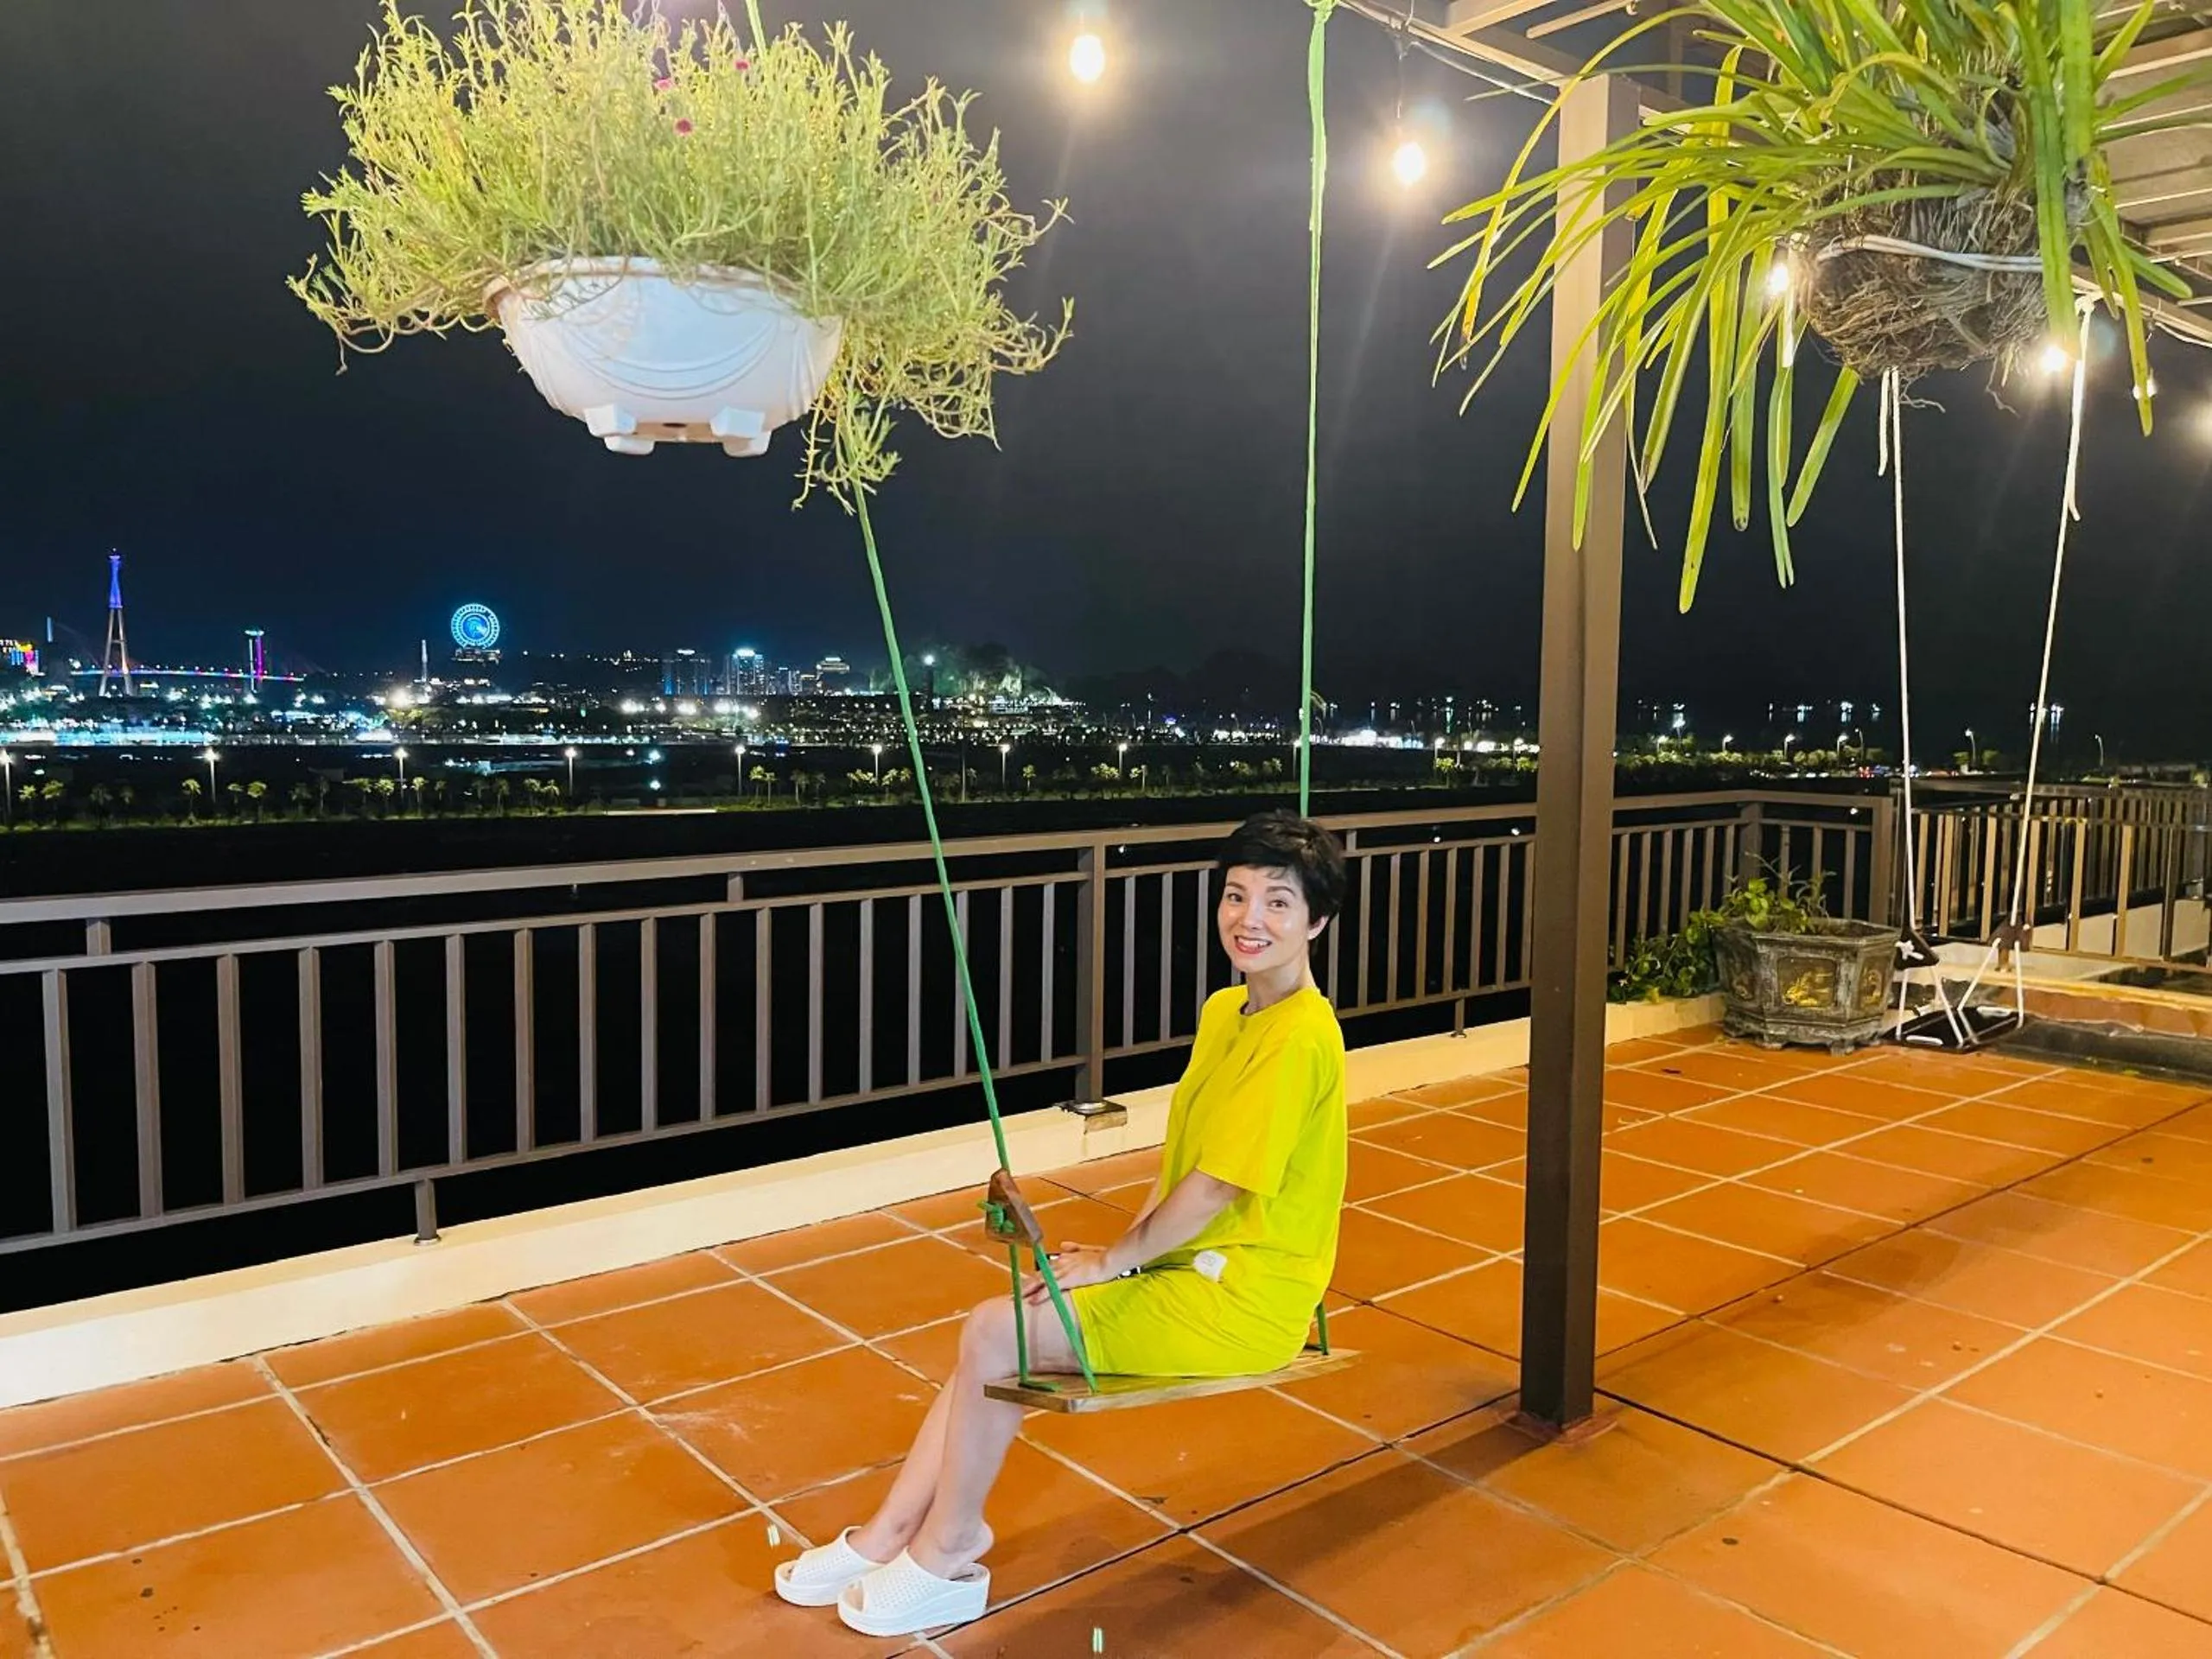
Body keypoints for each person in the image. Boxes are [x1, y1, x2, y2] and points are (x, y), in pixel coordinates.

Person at [773, 809, 1350, 1637]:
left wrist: (1120, 1261)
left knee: (995, 1333)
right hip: (1192, 1269)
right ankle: (887, 1535)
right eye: (1235, 895)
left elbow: (1219, 1187)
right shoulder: (1231, 1012)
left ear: (1317, 922)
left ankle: (949, 1549)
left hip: (1249, 1297)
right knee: (1002, 1326)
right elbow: (1183, 1164)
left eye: (1278, 903)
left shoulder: (1300, 1039)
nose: (1249, 920)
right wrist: (1124, 1258)